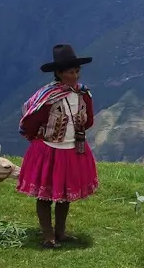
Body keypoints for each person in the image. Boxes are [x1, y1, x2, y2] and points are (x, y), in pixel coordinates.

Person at [17, 44, 99, 249]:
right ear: (59, 74)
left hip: (73, 149)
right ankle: (48, 235)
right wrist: (40, 136)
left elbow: (88, 120)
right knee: (45, 195)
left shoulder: (83, 94)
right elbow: (31, 120)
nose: (75, 76)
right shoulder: (48, 97)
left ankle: (60, 232)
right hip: (49, 149)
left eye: (77, 71)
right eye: (70, 72)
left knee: (64, 194)